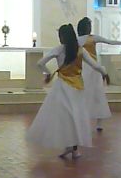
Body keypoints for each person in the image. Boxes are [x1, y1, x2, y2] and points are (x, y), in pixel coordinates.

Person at [27, 24, 109, 160]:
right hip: (77, 88)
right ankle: (73, 148)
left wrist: (48, 73)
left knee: (65, 118)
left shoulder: (59, 50)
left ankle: (71, 147)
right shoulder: (80, 50)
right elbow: (95, 65)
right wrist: (104, 73)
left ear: (63, 37)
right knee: (75, 117)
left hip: (62, 87)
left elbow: (40, 63)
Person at [76, 17, 121, 131]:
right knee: (89, 94)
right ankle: (85, 120)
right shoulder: (82, 39)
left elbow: (109, 41)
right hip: (87, 69)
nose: (90, 28)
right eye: (89, 25)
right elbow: (109, 41)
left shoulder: (90, 38)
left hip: (93, 70)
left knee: (97, 94)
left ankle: (98, 122)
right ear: (84, 27)